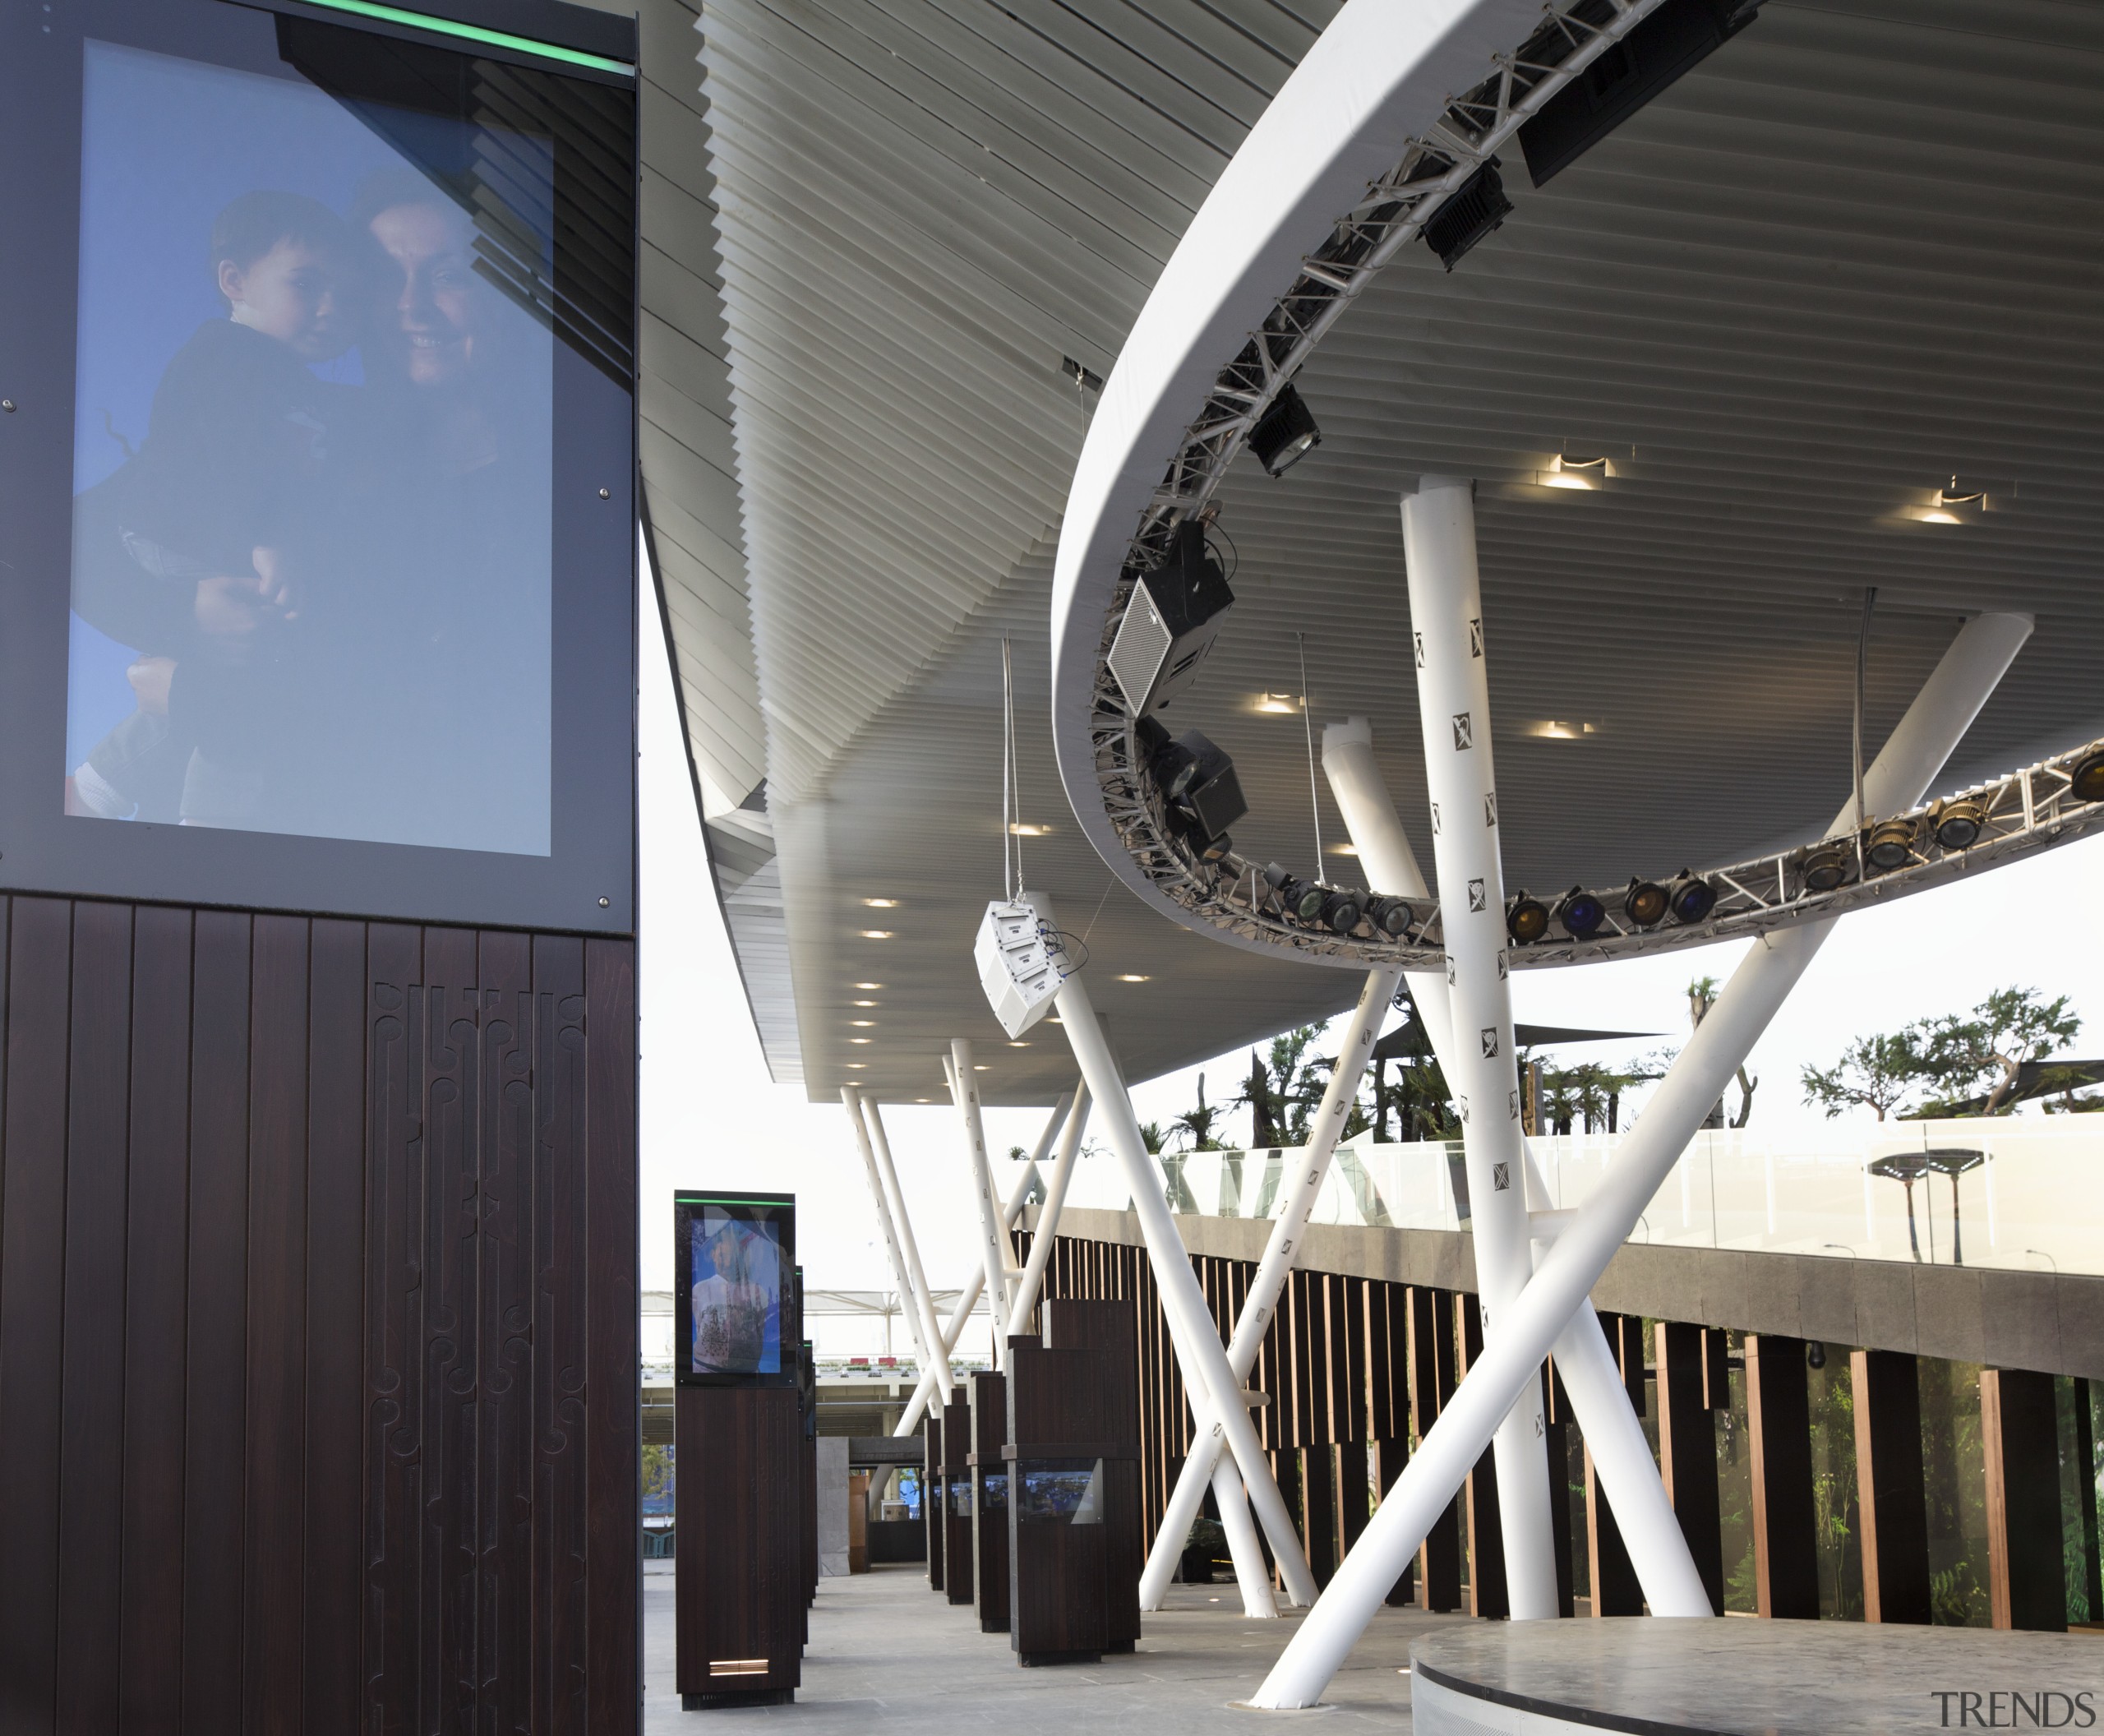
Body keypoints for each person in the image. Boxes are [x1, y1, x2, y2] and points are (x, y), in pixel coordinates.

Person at [67, 191, 354, 822]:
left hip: (209, 538)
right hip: (177, 534)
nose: (332, 308)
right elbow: (216, 455)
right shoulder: (230, 355)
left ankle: (97, 786)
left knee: (227, 674)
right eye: (307, 284)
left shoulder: (291, 378)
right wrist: (262, 537)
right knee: (248, 683)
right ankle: (208, 825)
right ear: (235, 281)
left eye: (346, 294)